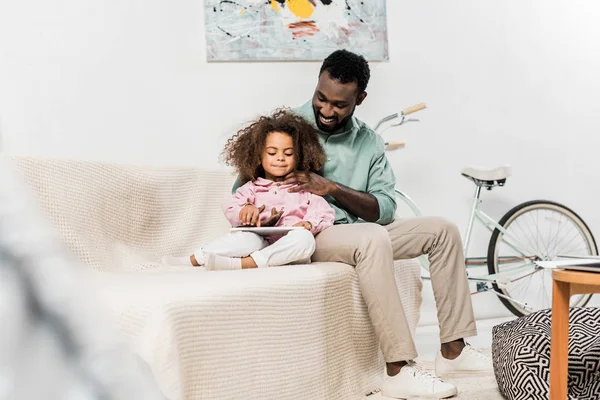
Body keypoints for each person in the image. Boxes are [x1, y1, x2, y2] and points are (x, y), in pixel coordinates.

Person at [233, 50, 492, 398]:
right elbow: (244, 189)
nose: (326, 110)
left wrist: (332, 188)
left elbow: (384, 207)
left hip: (362, 229)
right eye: (321, 98)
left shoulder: (368, 142)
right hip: (309, 234)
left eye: (339, 104)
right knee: (371, 238)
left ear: (360, 99)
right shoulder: (287, 127)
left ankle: (454, 350)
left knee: (442, 230)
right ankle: (398, 368)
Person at [163, 109, 335, 271]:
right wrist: (244, 211)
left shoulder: (303, 190)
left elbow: (326, 214)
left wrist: (309, 224)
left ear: (299, 157)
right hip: (258, 243)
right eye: (272, 153)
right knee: (246, 239)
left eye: (288, 154)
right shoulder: (251, 189)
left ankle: (245, 264)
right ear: (259, 157)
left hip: (288, 247)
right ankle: (194, 259)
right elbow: (231, 208)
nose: (280, 158)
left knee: (305, 240)